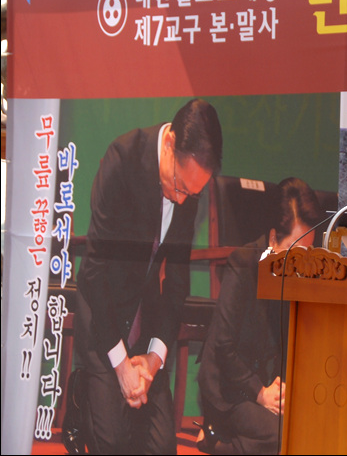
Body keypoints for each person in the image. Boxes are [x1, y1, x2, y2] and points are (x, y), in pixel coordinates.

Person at [75, 98, 223, 454]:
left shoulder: (189, 185)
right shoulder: (122, 159)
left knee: (161, 449)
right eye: (179, 186)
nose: (184, 200)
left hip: (143, 319)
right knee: (114, 444)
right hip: (103, 314)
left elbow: (177, 281)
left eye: (194, 193)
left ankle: (110, 401)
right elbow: (93, 271)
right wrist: (121, 366)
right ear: (170, 142)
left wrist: (154, 359)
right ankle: (84, 397)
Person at [197, 177, 324, 455]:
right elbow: (224, 347)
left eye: (309, 250)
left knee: (311, 427)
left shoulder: (304, 271)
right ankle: (218, 441)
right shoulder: (243, 264)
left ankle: (228, 439)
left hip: (269, 384)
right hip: (232, 387)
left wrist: (283, 387)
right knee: (281, 435)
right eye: (295, 252)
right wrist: (260, 392)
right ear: (272, 238)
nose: (302, 262)